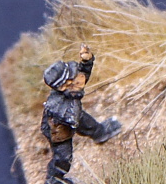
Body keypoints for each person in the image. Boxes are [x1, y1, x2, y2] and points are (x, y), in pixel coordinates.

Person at [41, 45, 122, 184]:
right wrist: (75, 99)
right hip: (59, 128)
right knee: (63, 158)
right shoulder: (56, 104)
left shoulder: (72, 84)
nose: (76, 79)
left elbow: (83, 76)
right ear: (62, 86)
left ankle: (101, 133)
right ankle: (54, 179)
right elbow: (70, 119)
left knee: (90, 124)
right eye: (70, 80)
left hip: (75, 115)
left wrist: (87, 61)